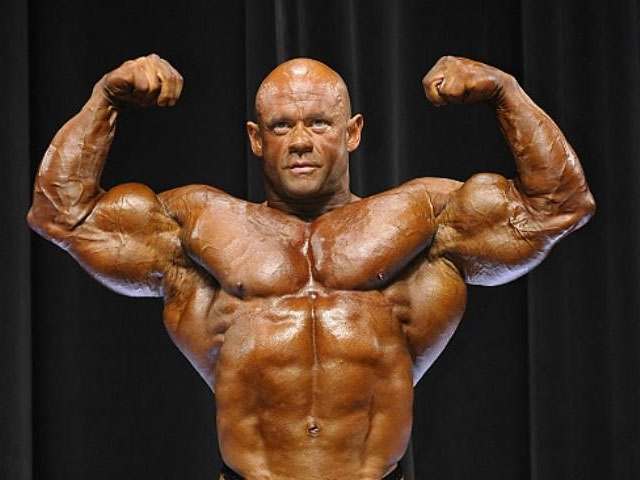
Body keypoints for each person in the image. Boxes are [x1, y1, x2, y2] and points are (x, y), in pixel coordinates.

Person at [27, 53, 595, 480]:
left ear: (353, 132)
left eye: (319, 123)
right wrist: (105, 98)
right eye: (281, 126)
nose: (300, 141)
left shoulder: (424, 219)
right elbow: (62, 216)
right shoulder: (199, 226)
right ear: (256, 139)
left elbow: (558, 206)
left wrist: (506, 92)